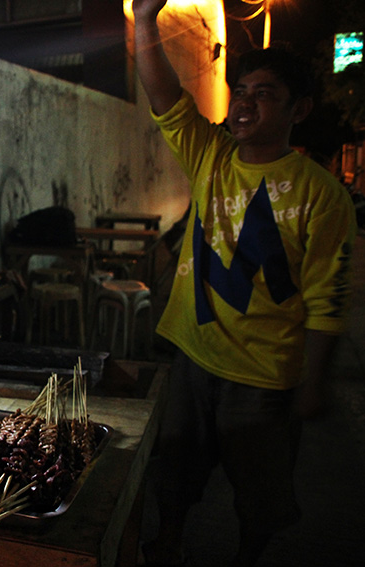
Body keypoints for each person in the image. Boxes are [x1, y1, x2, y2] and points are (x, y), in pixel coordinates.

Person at [131, 1, 357, 566]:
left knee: (260, 496)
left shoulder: (321, 193)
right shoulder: (211, 155)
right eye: (242, 91)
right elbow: (164, 97)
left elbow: (329, 298)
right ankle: (167, 543)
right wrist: (143, 20)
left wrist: (313, 380)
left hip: (265, 379)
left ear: (298, 109)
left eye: (265, 94)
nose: (246, 103)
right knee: (175, 471)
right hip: (193, 359)